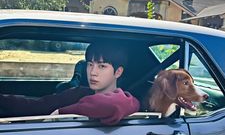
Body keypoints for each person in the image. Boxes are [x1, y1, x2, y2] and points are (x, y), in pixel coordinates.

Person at [0, 41, 140, 125]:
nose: (93, 72)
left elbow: (112, 104)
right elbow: (37, 105)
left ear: (118, 72)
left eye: (102, 66)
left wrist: (62, 112)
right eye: (90, 64)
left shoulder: (126, 100)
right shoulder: (78, 93)